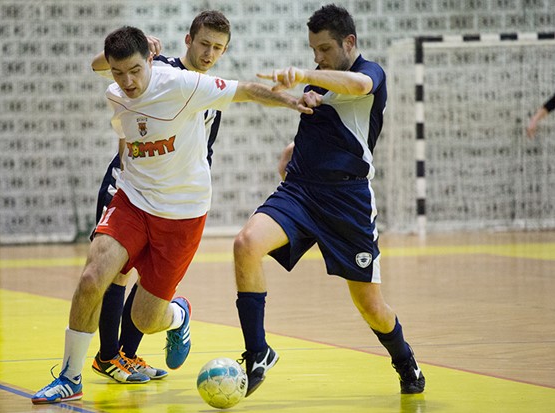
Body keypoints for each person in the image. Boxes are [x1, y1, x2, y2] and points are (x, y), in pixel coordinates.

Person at [31, 25, 311, 405]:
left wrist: (293, 102)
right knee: (94, 275)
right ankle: (70, 375)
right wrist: (129, 49)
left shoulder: (183, 84)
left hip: (182, 213)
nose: (127, 82)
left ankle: (177, 314)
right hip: (132, 198)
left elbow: (245, 90)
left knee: (147, 318)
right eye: (118, 73)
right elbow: (100, 64)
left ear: (150, 61)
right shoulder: (117, 88)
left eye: (134, 70)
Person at [232, 4, 426, 397]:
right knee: (246, 244)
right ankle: (257, 353)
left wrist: (306, 75)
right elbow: (331, 126)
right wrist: (293, 146)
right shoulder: (318, 84)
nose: (316, 57)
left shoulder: (370, 73)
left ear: (348, 42)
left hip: (348, 201)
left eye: (323, 49)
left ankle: (405, 361)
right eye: (312, 51)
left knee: (370, 305)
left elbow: (355, 88)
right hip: (301, 192)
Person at [88, 11, 232, 384]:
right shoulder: (158, 68)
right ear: (188, 40)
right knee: (115, 272)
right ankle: (107, 357)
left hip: (170, 198)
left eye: (218, 48)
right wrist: (140, 45)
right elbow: (98, 65)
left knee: (146, 275)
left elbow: (204, 151)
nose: (209, 53)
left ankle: (128, 355)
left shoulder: (211, 92)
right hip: (129, 184)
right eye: (204, 44)